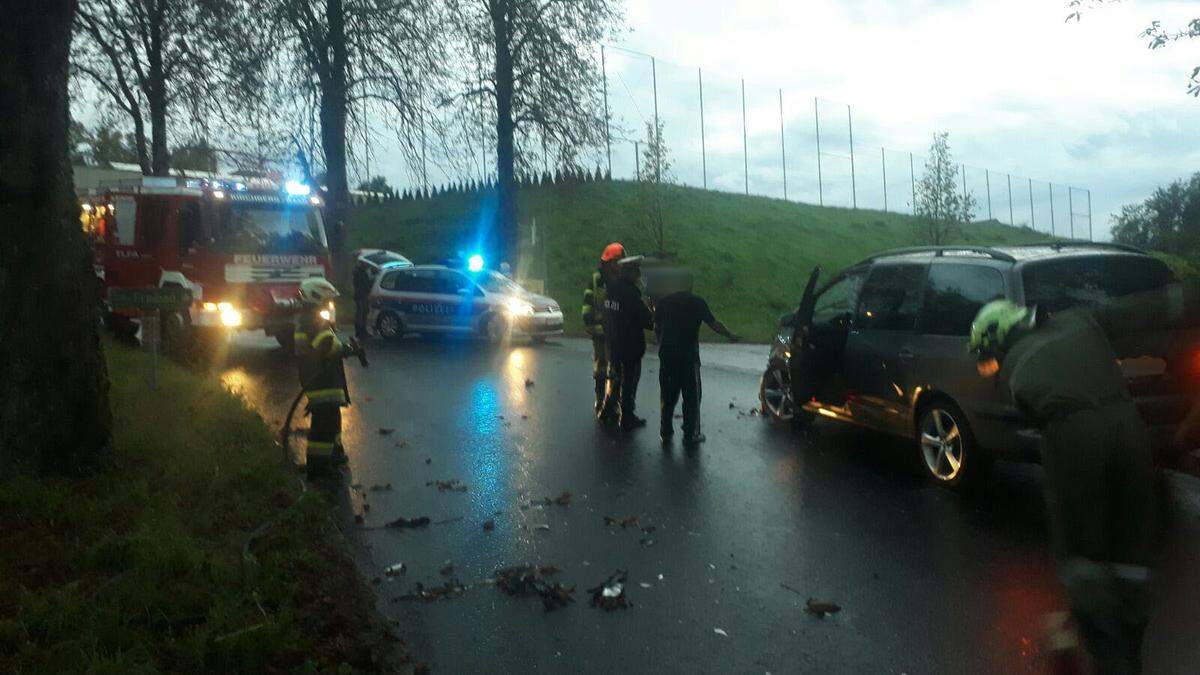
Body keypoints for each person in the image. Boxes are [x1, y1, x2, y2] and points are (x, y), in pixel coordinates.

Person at [967, 285, 1200, 674]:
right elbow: (1144, 308)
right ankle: (1128, 645)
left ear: (1000, 336)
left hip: (1072, 435)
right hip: (1130, 428)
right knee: (1132, 547)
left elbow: (1034, 410)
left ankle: (1107, 656)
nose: (992, 365)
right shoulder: (1078, 321)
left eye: (990, 356)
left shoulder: (1016, 368)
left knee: (1082, 556)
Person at [653, 269, 739, 444]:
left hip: (667, 355)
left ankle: (666, 429)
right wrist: (730, 335)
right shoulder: (697, 302)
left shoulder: (664, 302)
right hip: (688, 357)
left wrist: (661, 343)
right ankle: (691, 432)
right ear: (690, 285)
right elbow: (714, 324)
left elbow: (656, 326)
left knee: (668, 393)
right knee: (692, 395)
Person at [294, 277, 362, 475]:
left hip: (322, 379)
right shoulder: (312, 320)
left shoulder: (310, 318)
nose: (329, 303)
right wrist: (349, 349)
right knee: (323, 425)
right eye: (327, 299)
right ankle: (318, 468)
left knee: (331, 420)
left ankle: (334, 454)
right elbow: (328, 346)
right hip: (321, 381)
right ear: (316, 297)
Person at [600, 255, 653, 431]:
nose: (638, 275)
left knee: (614, 378)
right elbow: (646, 319)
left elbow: (607, 316)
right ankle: (627, 416)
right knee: (630, 381)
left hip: (614, 344)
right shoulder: (630, 293)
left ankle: (608, 411)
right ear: (629, 272)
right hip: (630, 346)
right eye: (636, 271)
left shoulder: (611, 289)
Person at [582, 242, 625, 418]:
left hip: (618, 333)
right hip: (600, 331)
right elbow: (588, 303)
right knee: (600, 367)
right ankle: (600, 399)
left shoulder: (624, 281)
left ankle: (613, 401)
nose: (617, 265)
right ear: (606, 262)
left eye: (620, 262)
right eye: (615, 262)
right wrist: (589, 323)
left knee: (616, 369)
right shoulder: (596, 279)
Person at [352, 259, 372, 339]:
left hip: (361, 295)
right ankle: (360, 332)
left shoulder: (359, 271)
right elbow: (364, 284)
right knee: (361, 314)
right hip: (361, 295)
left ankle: (361, 331)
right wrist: (369, 289)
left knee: (363, 313)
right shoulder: (360, 272)